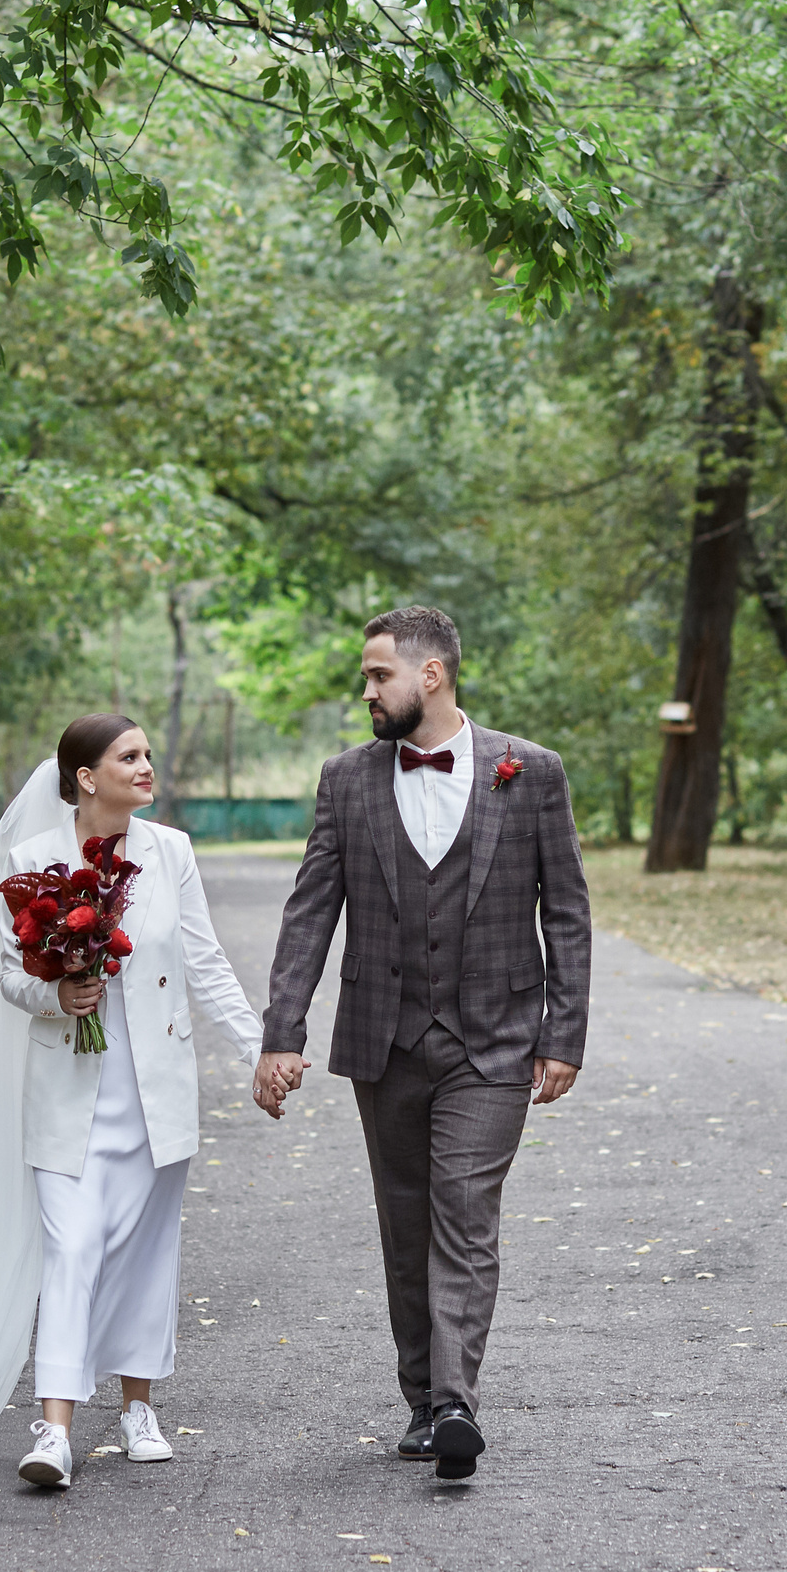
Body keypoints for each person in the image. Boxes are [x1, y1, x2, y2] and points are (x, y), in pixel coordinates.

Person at [0, 715, 262, 1489]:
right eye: (130, 756)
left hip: (155, 1090)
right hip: (68, 1087)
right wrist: (59, 989)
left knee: (146, 1253)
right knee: (73, 1247)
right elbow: (10, 979)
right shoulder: (27, 862)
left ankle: (138, 1408)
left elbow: (204, 961)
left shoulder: (170, 852)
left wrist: (260, 1049)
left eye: (149, 752)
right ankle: (54, 1427)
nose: (148, 765)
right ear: (85, 776)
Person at [255, 606, 591, 1479]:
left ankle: (455, 1403)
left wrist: (565, 1033)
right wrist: (280, 1033)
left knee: (464, 1213)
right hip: (387, 1036)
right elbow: (309, 913)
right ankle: (419, 1396)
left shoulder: (533, 772)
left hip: (498, 1040)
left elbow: (567, 910)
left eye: (378, 675)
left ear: (430, 674)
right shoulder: (346, 779)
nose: (366, 690)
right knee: (406, 1225)